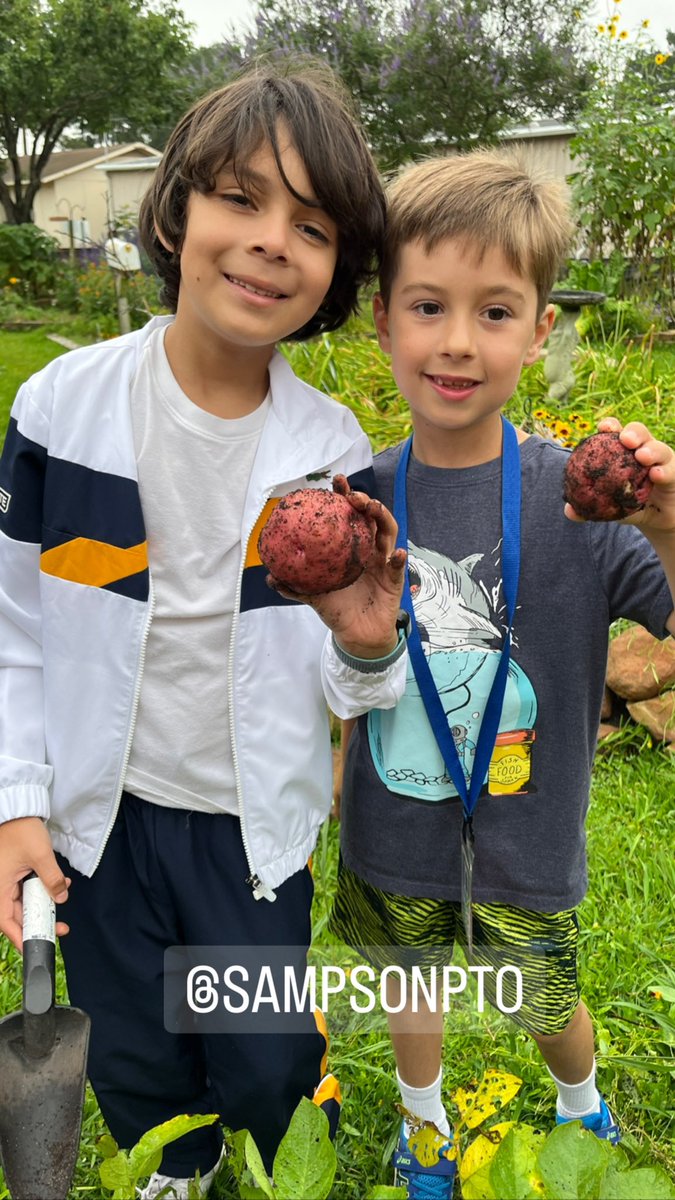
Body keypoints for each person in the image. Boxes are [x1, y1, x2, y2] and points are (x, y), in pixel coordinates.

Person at [0, 61, 408, 1199]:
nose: (271, 240)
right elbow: (12, 629)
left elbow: (358, 681)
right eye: (240, 197)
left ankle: (278, 1147)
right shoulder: (60, 411)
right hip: (101, 814)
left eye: (312, 224)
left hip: (247, 822)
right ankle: (174, 1169)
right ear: (177, 210)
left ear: (336, 270)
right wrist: (16, 804)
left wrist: (370, 643)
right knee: (131, 1043)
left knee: (264, 1050)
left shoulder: (330, 453)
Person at [330, 147, 675, 1199]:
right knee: (412, 981)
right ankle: (423, 1130)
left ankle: (582, 1103)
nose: (457, 342)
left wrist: (667, 521)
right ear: (385, 318)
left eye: (495, 312)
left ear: (538, 330)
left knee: (541, 990)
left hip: (528, 819)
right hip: (392, 813)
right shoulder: (356, 500)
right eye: (429, 306)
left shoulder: (583, 504)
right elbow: (338, 660)